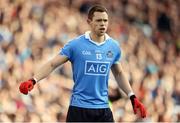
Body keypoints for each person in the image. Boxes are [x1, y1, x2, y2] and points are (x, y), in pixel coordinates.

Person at [19, 5, 146, 122]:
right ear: (89, 22)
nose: (102, 24)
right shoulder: (75, 45)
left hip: (103, 109)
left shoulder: (113, 46)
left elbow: (118, 73)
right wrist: (33, 80)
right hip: (79, 109)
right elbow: (53, 64)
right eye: (98, 20)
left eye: (105, 21)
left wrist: (132, 96)